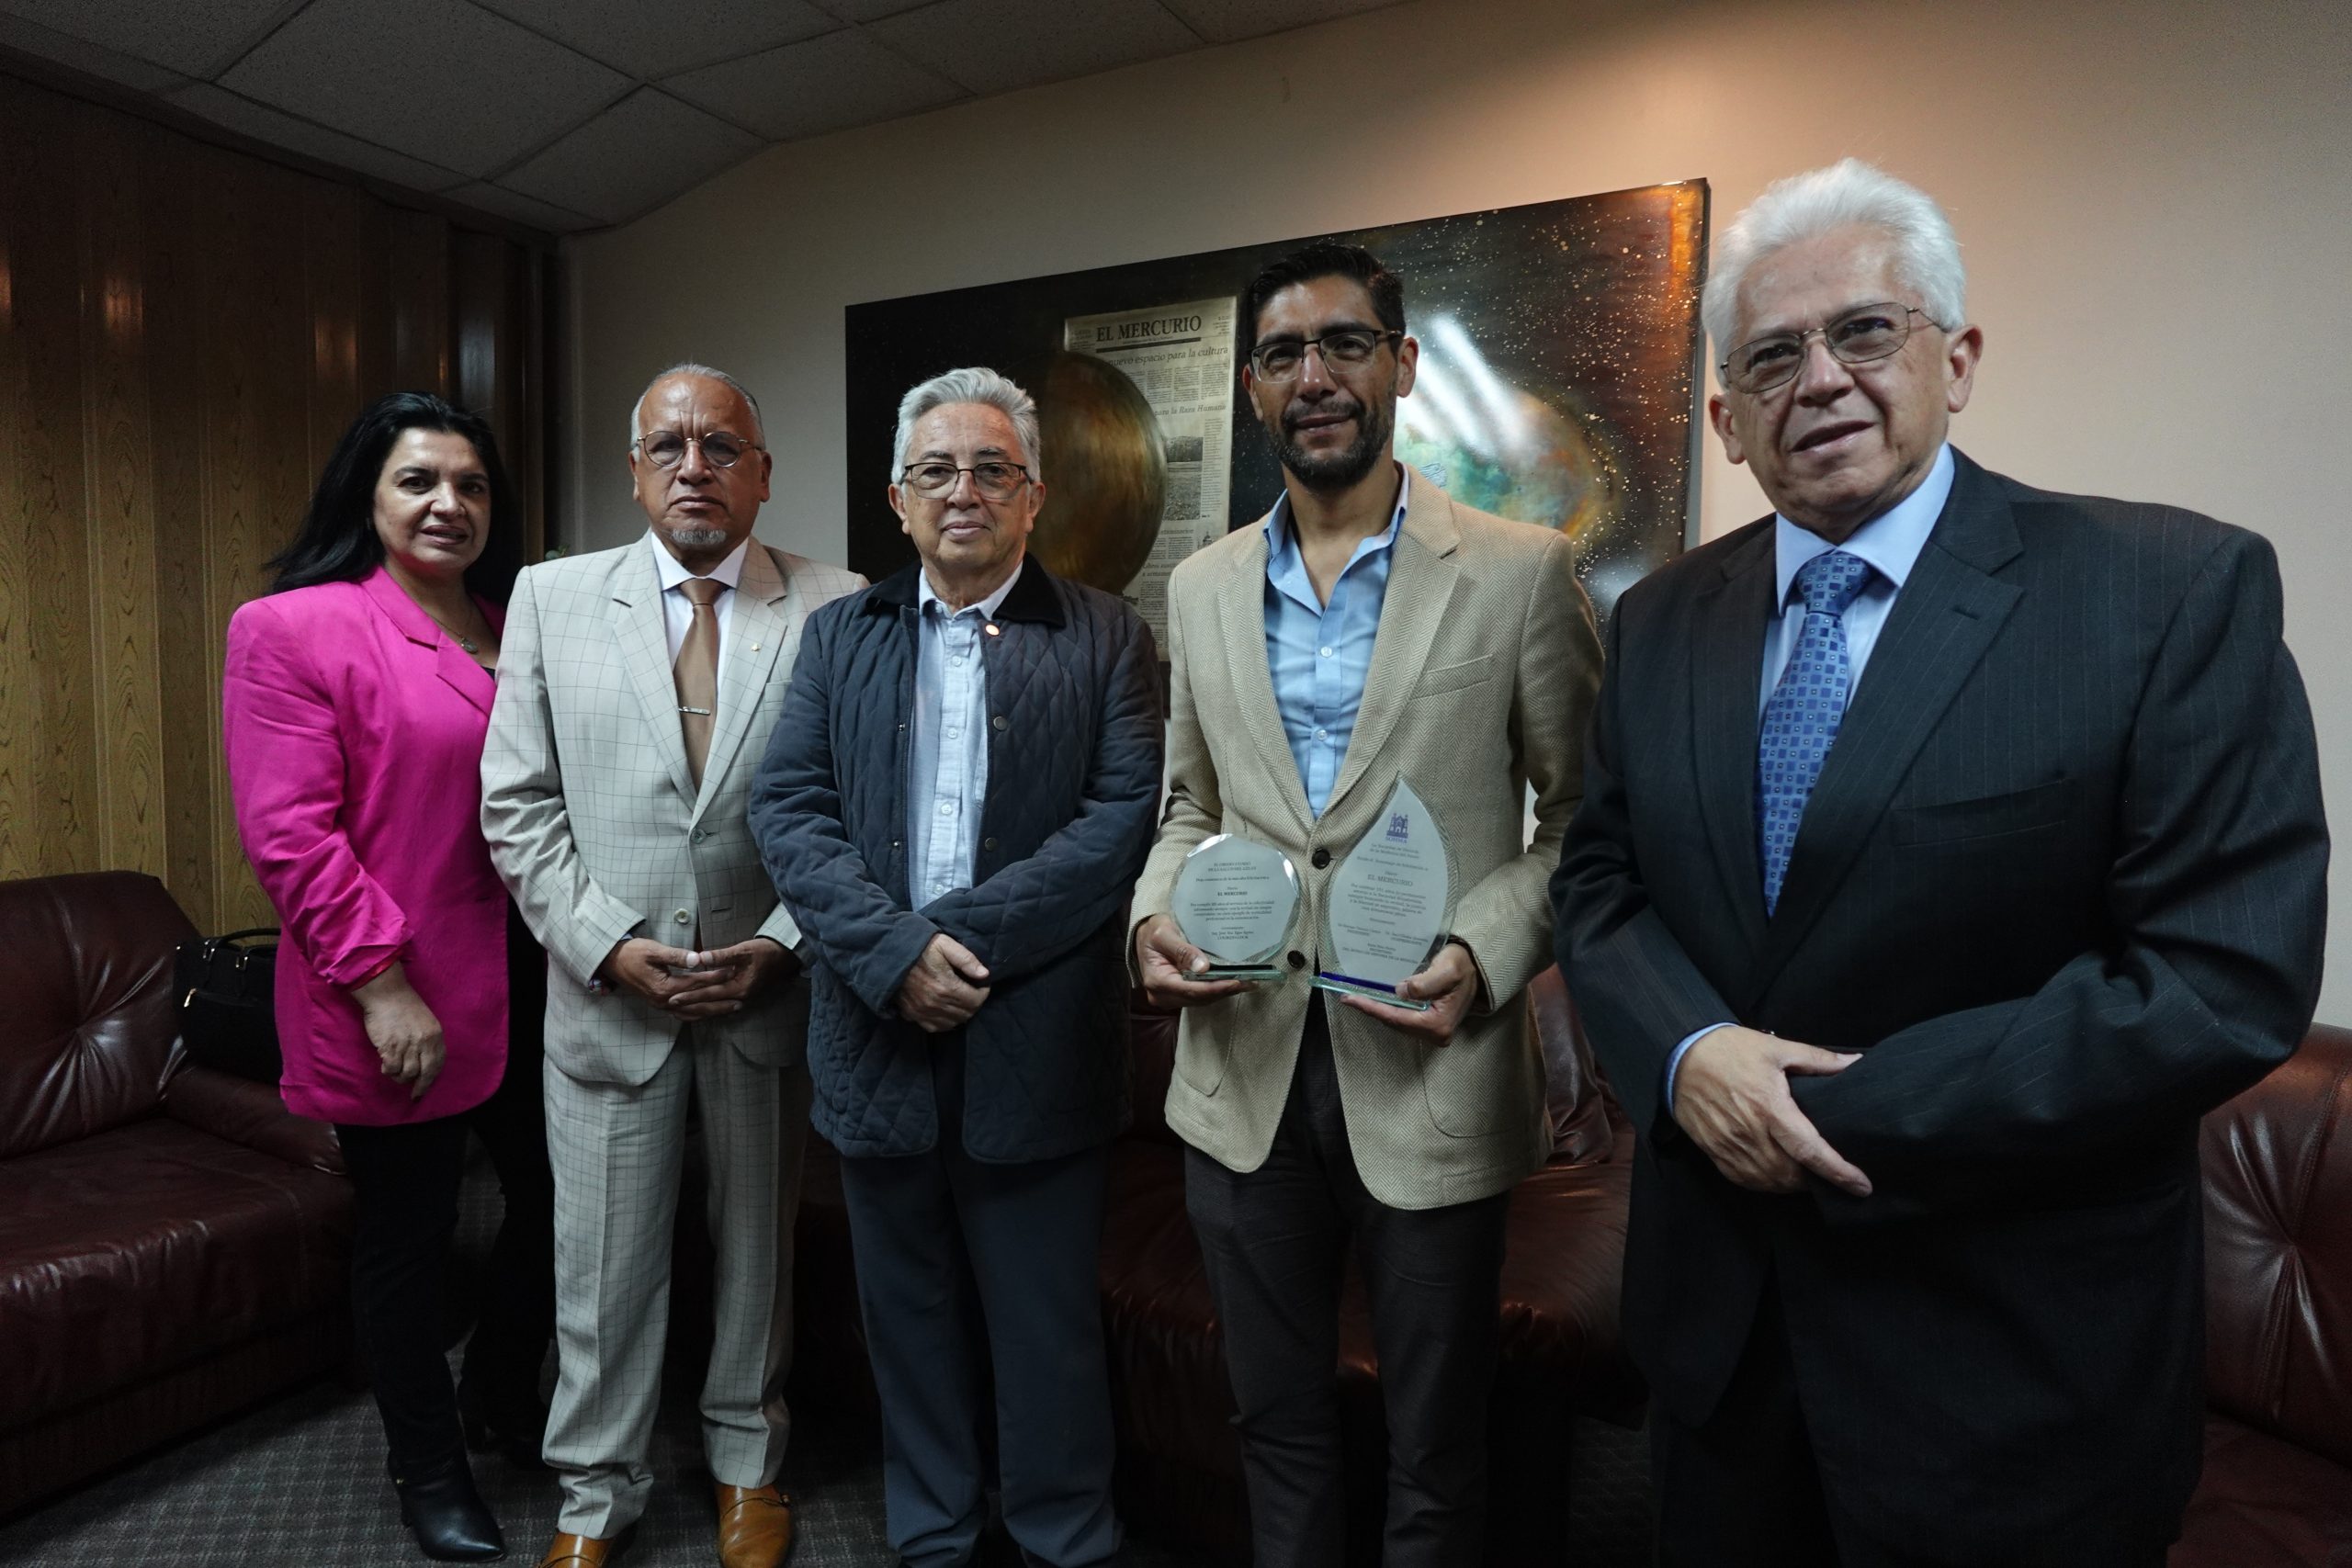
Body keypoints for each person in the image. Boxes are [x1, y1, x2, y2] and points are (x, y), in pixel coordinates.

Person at [1551, 159, 2330, 1567]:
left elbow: (2219, 976)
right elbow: (1600, 882)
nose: (1821, 379)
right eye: (1772, 355)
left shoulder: (2165, 591)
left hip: (2009, 1370)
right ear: (1727, 418)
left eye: (1866, 330)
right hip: (1720, 1357)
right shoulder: (1660, 619)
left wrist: (1814, 1105)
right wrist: (1687, 1054)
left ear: (1957, 361)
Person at [1128, 243, 1601, 1566]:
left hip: (1431, 1069)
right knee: (1272, 1421)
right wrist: (1151, 920)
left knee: (1436, 1445)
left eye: (1344, 344)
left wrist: (1485, 949)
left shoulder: (1518, 570)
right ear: (1253, 387)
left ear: (1401, 363)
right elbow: (1187, 808)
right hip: (1241, 1072)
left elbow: (1584, 823)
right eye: (1284, 354)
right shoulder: (1201, 587)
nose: (1315, 376)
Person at [750, 366, 1161, 1568]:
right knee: (906, 1317)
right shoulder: (840, 637)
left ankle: (1062, 1535)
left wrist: (956, 944)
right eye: (935, 470)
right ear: (898, 497)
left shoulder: (1107, 636)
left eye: (991, 468)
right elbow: (790, 810)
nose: (962, 490)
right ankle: (932, 1535)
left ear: (1035, 495)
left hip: (1036, 1039)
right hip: (875, 1037)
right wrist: (894, 955)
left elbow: (1117, 825)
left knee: (1045, 1326)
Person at [481, 364, 864, 1568]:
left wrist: (783, 946)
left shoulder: (837, 604)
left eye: (721, 445)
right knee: (600, 1264)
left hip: (765, 994)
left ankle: (749, 1461)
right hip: (610, 997)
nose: (694, 466)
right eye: (669, 446)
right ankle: (595, 1489)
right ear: (636, 469)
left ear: (763, 471)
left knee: (758, 1252)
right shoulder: (549, 598)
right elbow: (516, 805)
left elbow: (859, 813)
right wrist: (606, 943)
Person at [223, 390, 556, 1562]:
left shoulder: (517, 622)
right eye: (418, 480)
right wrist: (380, 985)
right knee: (410, 1236)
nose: (447, 503)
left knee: (558, 1202)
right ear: (365, 496)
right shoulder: (293, 627)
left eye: (470, 484)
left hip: (532, 974)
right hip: (390, 985)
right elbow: (290, 836)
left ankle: (500, 1389)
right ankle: (427, 1465)